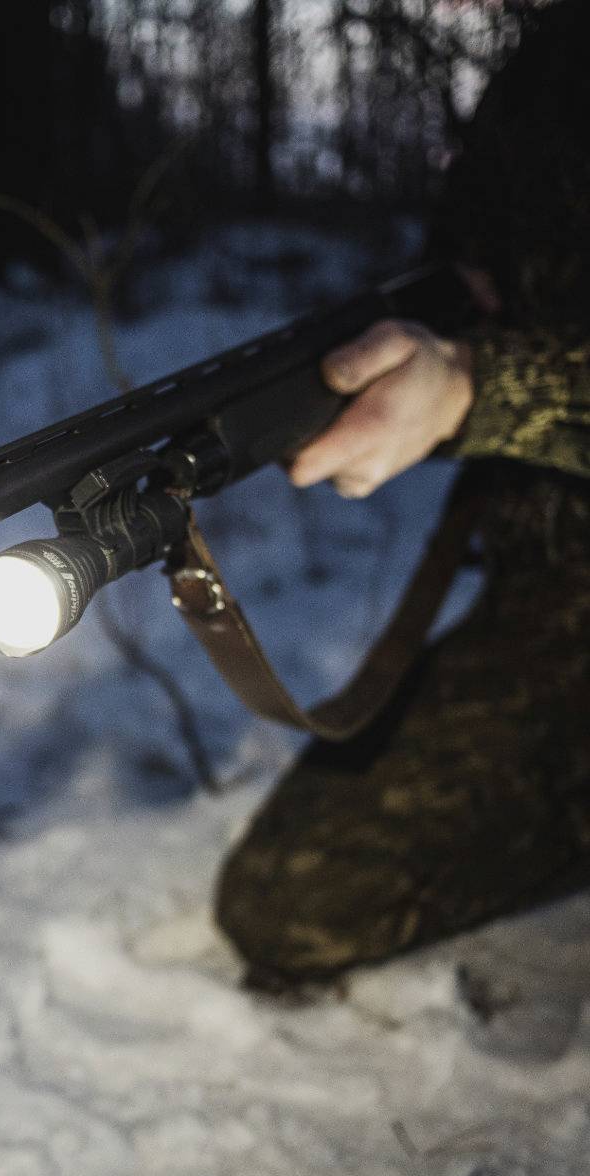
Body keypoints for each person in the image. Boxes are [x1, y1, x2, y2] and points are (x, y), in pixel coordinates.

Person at [216, 0, 590, 990]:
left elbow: (484, 372)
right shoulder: (543, 74)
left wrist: (478, 387)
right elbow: (473, 275)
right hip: (553, 617)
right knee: (292, 900)